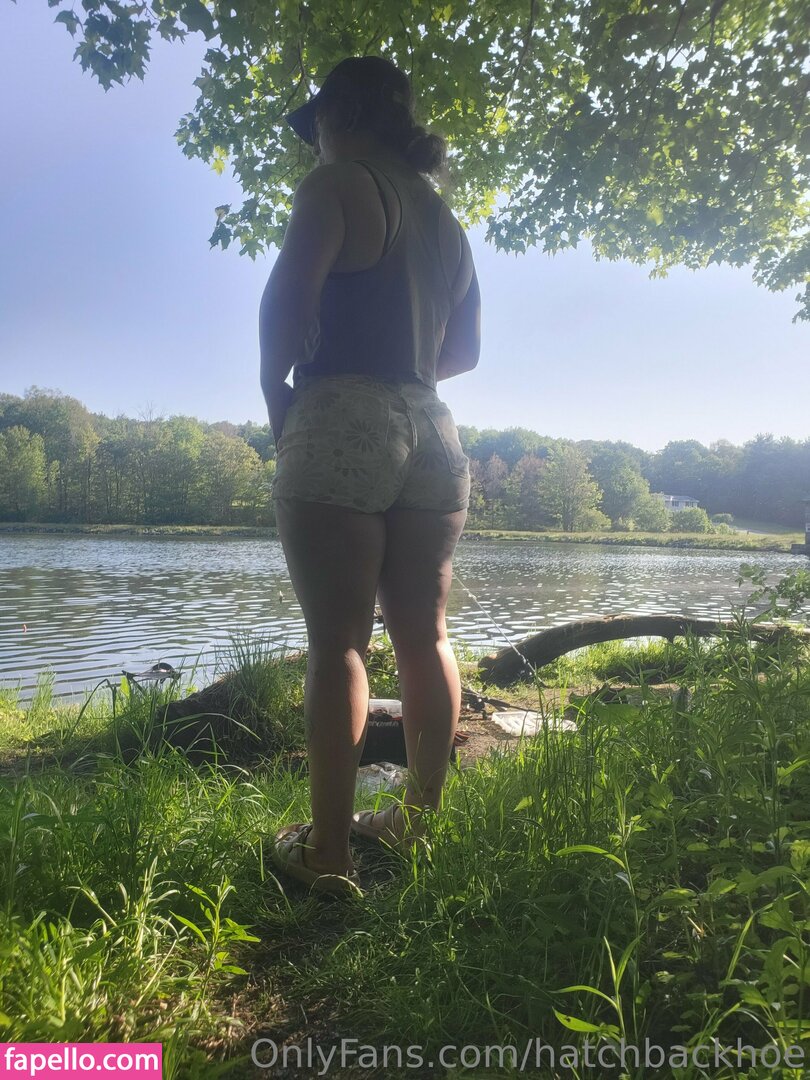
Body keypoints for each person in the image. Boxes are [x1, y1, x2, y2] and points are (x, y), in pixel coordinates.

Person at [260, 56, 481, 896]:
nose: (313, 142)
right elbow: (465, 352)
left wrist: (274, 394)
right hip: (433, 428)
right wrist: (407, 377)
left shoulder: (336, 184)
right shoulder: (446, 223)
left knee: (338, 644)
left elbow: (284, 306)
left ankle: (328, 854)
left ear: (338, 117)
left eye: (315, 126)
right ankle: (418, 824)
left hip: (342, 412)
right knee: (427, 637)